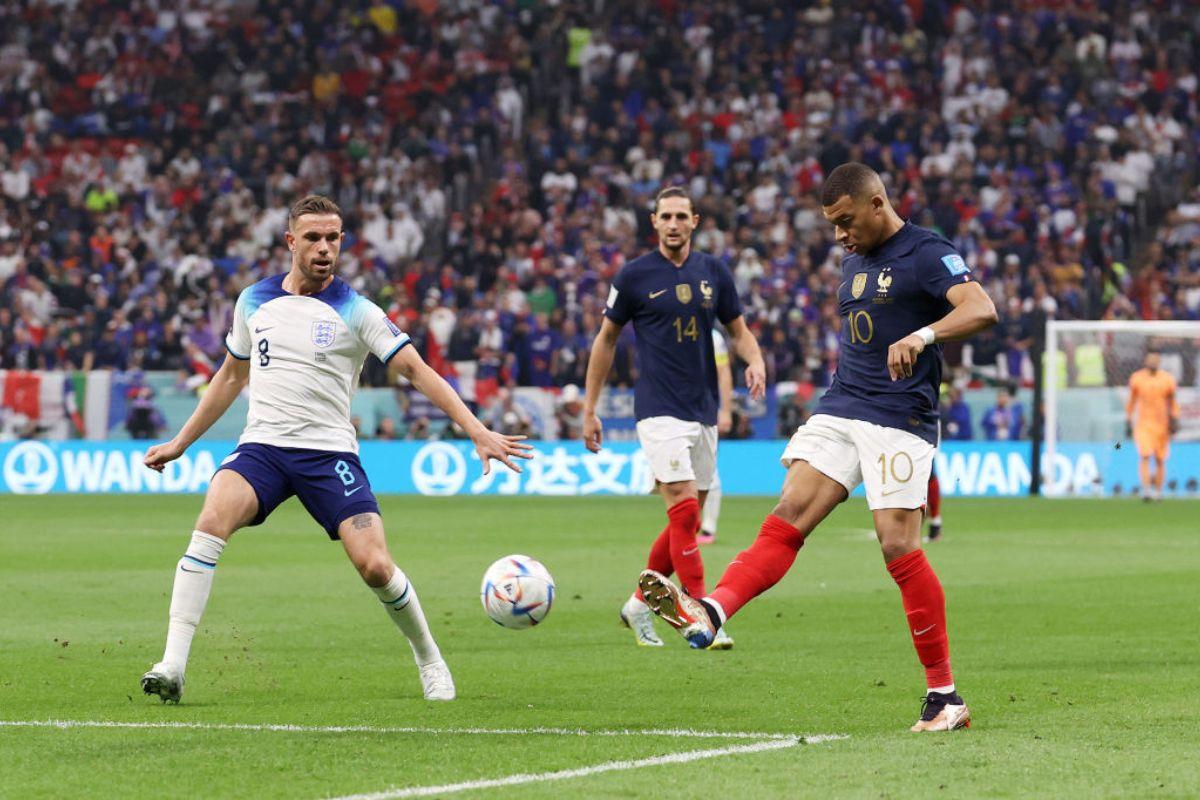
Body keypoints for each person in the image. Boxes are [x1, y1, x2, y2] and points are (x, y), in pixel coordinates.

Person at [637, 163, 997, 732]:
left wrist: (922, 334)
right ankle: (713, 607)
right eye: (833, 225)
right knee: (786, 517)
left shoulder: (927, 251)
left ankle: (944, 697)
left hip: (899, 417)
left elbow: (981, 309)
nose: (839, 236)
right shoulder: (853, 261)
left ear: (878, 204)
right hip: (842, 406)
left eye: (847, 222)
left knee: (898, 546)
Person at [139, 195, 531, 704]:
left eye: (334, 238)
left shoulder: (358, 309)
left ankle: (429, 657)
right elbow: (230, 376)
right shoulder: (253, 302)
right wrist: (179, 443)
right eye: (313, 238)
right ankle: (173, 665)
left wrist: (476, 429)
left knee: (374, 566)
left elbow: (415, 370)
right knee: (211, 520)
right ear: (290, 242)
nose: (325, 248)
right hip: (263, 448)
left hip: (329, 456)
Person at [583, 186, 766, 650]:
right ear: (654, 222)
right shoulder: (634, 276)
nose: (673, 223)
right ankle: (702, 613)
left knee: (688, 517)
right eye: (665, 216)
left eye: (681, 216)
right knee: (684, 508)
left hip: (702, 409)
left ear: (695, 221)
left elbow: (739, 332)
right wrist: (590, 408)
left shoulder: (714, 272)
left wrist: (755, 360)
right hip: (658, 409)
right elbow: (606, 340)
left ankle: (637, 604)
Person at [1126, 350, 1180, 501]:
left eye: (1156, 359)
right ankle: (1146, 490)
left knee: (1160, 459)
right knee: (1144, 455)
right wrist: (1128, 420)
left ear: (1159, 361)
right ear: (1146, 361)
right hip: (1143, 424)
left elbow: (1172, 402)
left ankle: (1158, 491)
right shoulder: (1137, 379)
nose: (1153, 362)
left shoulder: (1167, 380)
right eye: (1151, 359)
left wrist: (1175, 418)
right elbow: (1132, 401)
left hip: (1162, 425)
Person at [698, 328, 734, 545]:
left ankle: (707, 528)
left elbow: (723, 371)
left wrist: (726, 409)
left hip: (704, 410)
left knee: (709, 470)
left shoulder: (712, 337)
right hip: (675, 408)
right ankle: (686, 524)